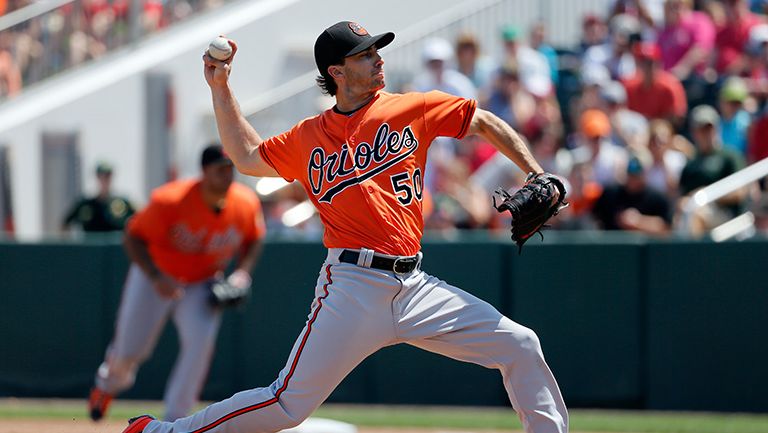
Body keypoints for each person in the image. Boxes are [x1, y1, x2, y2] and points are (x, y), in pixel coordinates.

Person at [121, 20, 568, 433]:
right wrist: (220, 88)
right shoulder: (309, 135)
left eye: (376, 50)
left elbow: (481, 121)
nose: (378, 58)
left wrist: (533, 172)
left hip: (416, 285)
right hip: (352, 285)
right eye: (365, 54)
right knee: (287, 404)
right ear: (337, 71)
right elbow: (247, 156)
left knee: (521, 345)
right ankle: (165, 431)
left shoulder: (412, 107)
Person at [88, 144, 266, 422]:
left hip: (202, 282)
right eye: (220, 169)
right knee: (130, 349)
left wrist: (242, 273)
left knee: (200, 344)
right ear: (204, 172)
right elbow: (132, 237)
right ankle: (107, 385)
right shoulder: (170, 200)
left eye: (230, 169)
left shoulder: (244, 203)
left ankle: (175, 418)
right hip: (156, 276)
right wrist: (156, 277)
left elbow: (255, 237)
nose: (227, 175)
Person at [62, 162, 136, 233]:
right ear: (97, 177)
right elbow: (65, 224)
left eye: (107, 176)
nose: (105, 179)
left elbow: (138, 220)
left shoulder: (124, 204)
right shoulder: (85, 205)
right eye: (102, 175)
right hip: (90, 245)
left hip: (117, 245)